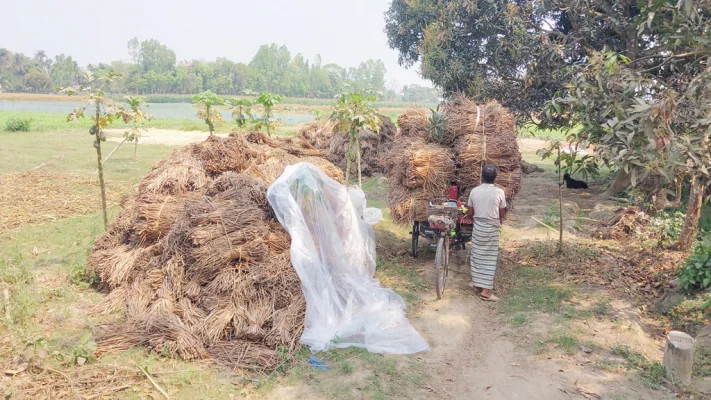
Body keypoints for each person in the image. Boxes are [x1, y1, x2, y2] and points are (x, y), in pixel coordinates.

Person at [465, 164, 507, 301]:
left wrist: (475, 218)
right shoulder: (499, 192)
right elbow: (502, 212)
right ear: (495, 178)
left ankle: (478, 284)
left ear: (482, 177)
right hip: (491, 227)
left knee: (477, 256)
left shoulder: (474, 191)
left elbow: (470, 212)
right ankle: (486, 291)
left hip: (478, 227)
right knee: (489, 258)